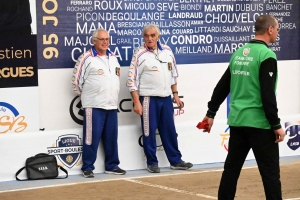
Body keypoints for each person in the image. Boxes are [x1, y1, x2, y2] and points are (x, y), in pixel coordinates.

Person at [202, 14, 285, 199]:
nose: (277, 33)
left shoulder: (239, 53)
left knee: (231, 171)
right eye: (277, 29)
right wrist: (276, 125)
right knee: (271, 175)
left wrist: (211, 112)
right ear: (270, 29)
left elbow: (222, 86)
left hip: (238, 122)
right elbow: (268, 94)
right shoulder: (267, 55)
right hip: (260, 125)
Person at [126, 24, 193, 173]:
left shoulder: (168, 51)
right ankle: (152, 162)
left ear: (158, 37)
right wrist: (136, 101)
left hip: (166, 98)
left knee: (169, 130)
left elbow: (173, 74)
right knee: (149, 132)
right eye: (146, 36)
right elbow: (131, 80)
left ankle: (175, 161)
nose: (149, 38)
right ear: (143, 37)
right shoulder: (139, 54)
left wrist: (175, 94)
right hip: (148, 99)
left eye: (152, 35)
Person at [71, 28, 126, 178]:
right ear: (94, 41)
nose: (105, 42)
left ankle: (112, 165)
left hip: (112, 105)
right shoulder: (86, 58)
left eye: (107, 39)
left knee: (111, 137)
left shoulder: (113, 57)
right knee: (91, 137)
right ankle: (87, 167)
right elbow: (76, 83)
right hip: (93, 106)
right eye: (101, 39)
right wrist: (91, 97)